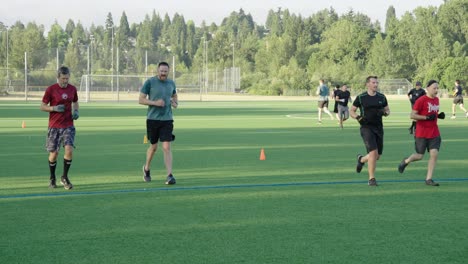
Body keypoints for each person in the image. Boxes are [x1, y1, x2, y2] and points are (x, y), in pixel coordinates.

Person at [398, 80, 445, 186]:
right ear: (427, 88)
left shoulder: (437, 100)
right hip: (421, 132)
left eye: (437, 88)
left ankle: (428, 179)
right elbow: (412, 115)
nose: (436, 90)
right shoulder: (421, 100)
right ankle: (406, 161)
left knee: (434, 154)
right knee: (419, 156)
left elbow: (433, 114)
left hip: (434, 132)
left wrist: (438, 116)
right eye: (434, 88)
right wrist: (426, 117)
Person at [40, 66, 79, 190]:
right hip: (54, 126)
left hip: (68, 125)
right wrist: (53, 108)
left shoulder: (72, 89)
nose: (65, 81)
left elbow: (75, 102)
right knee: (54, 154)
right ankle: (52, 177)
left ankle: (64, 177)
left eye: (67, 78)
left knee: (69, 150)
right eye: (63, 79)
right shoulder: (51, 89)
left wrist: (76, 111)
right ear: (58, 77)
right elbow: (42, 106)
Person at [139, 61, 178, 185]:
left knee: (166, 147)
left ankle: (169, 175)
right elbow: (141, 100)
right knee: (154, 147)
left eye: (165, 71)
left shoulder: (171, 83)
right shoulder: (150, 82)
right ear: (157, 70)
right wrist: (155, 103)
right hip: (153, 120)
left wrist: (174, 103)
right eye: (161, 71)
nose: (163, 73)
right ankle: (146, 168)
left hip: (167, 119)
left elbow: (175, 98)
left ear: (168, 71)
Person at [350, 76, 390, 186]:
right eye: (373, 82)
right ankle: (371, 179)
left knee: (377, 156)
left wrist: (384, 113)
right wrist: (358, 117)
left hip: (379, 128)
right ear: (367, 84)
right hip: (366, 128)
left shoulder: (382, 97)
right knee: (373, 153)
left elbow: (387, 110)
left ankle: (361, 160)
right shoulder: (361, 97)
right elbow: (352, 111)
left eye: (377, 82)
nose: (375, 84)